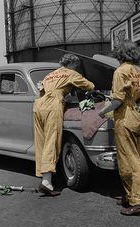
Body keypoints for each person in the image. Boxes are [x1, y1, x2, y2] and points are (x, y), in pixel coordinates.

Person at [33, 53, 95, 196]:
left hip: (38, 105)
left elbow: (42, 90)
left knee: (41, 142)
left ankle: (44, 177)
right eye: (77, 66)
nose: (77, 68)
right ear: (72, 64)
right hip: (52, 104)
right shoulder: (70, 73)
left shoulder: (50, 75)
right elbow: (89, 85)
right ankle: (47, 183)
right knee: (51, 140)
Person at [98, 40, 140, 216]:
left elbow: (117, 100)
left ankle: (138, 203)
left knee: (128, 161)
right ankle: (130, 195)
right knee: (135, 158)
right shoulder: (137, 72)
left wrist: (102, 112)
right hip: (135, 116)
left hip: (124, 118)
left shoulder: (120, 71)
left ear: (120, 54)